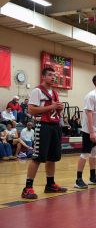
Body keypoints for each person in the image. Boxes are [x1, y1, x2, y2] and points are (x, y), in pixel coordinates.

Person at [21, 67, 67, 199]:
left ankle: (50, 184)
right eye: (50, 75)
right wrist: (52, 106)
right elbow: (31, 110)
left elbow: (54, 111)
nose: (53, 77)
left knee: (52, 157)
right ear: (43, 77)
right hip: (43, 126)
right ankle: (27, 187)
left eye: (54, 75)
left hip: (55, 126)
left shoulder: (55, 93)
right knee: (37, 157)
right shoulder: (37, 91)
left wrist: (59, 108)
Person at [75, 73, 96, 189]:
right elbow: (88, 114)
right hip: (89, 131)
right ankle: (78, 180)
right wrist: (91, 132)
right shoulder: (91, 96)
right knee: (85, 154)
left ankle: (92, 177)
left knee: (94, 155)